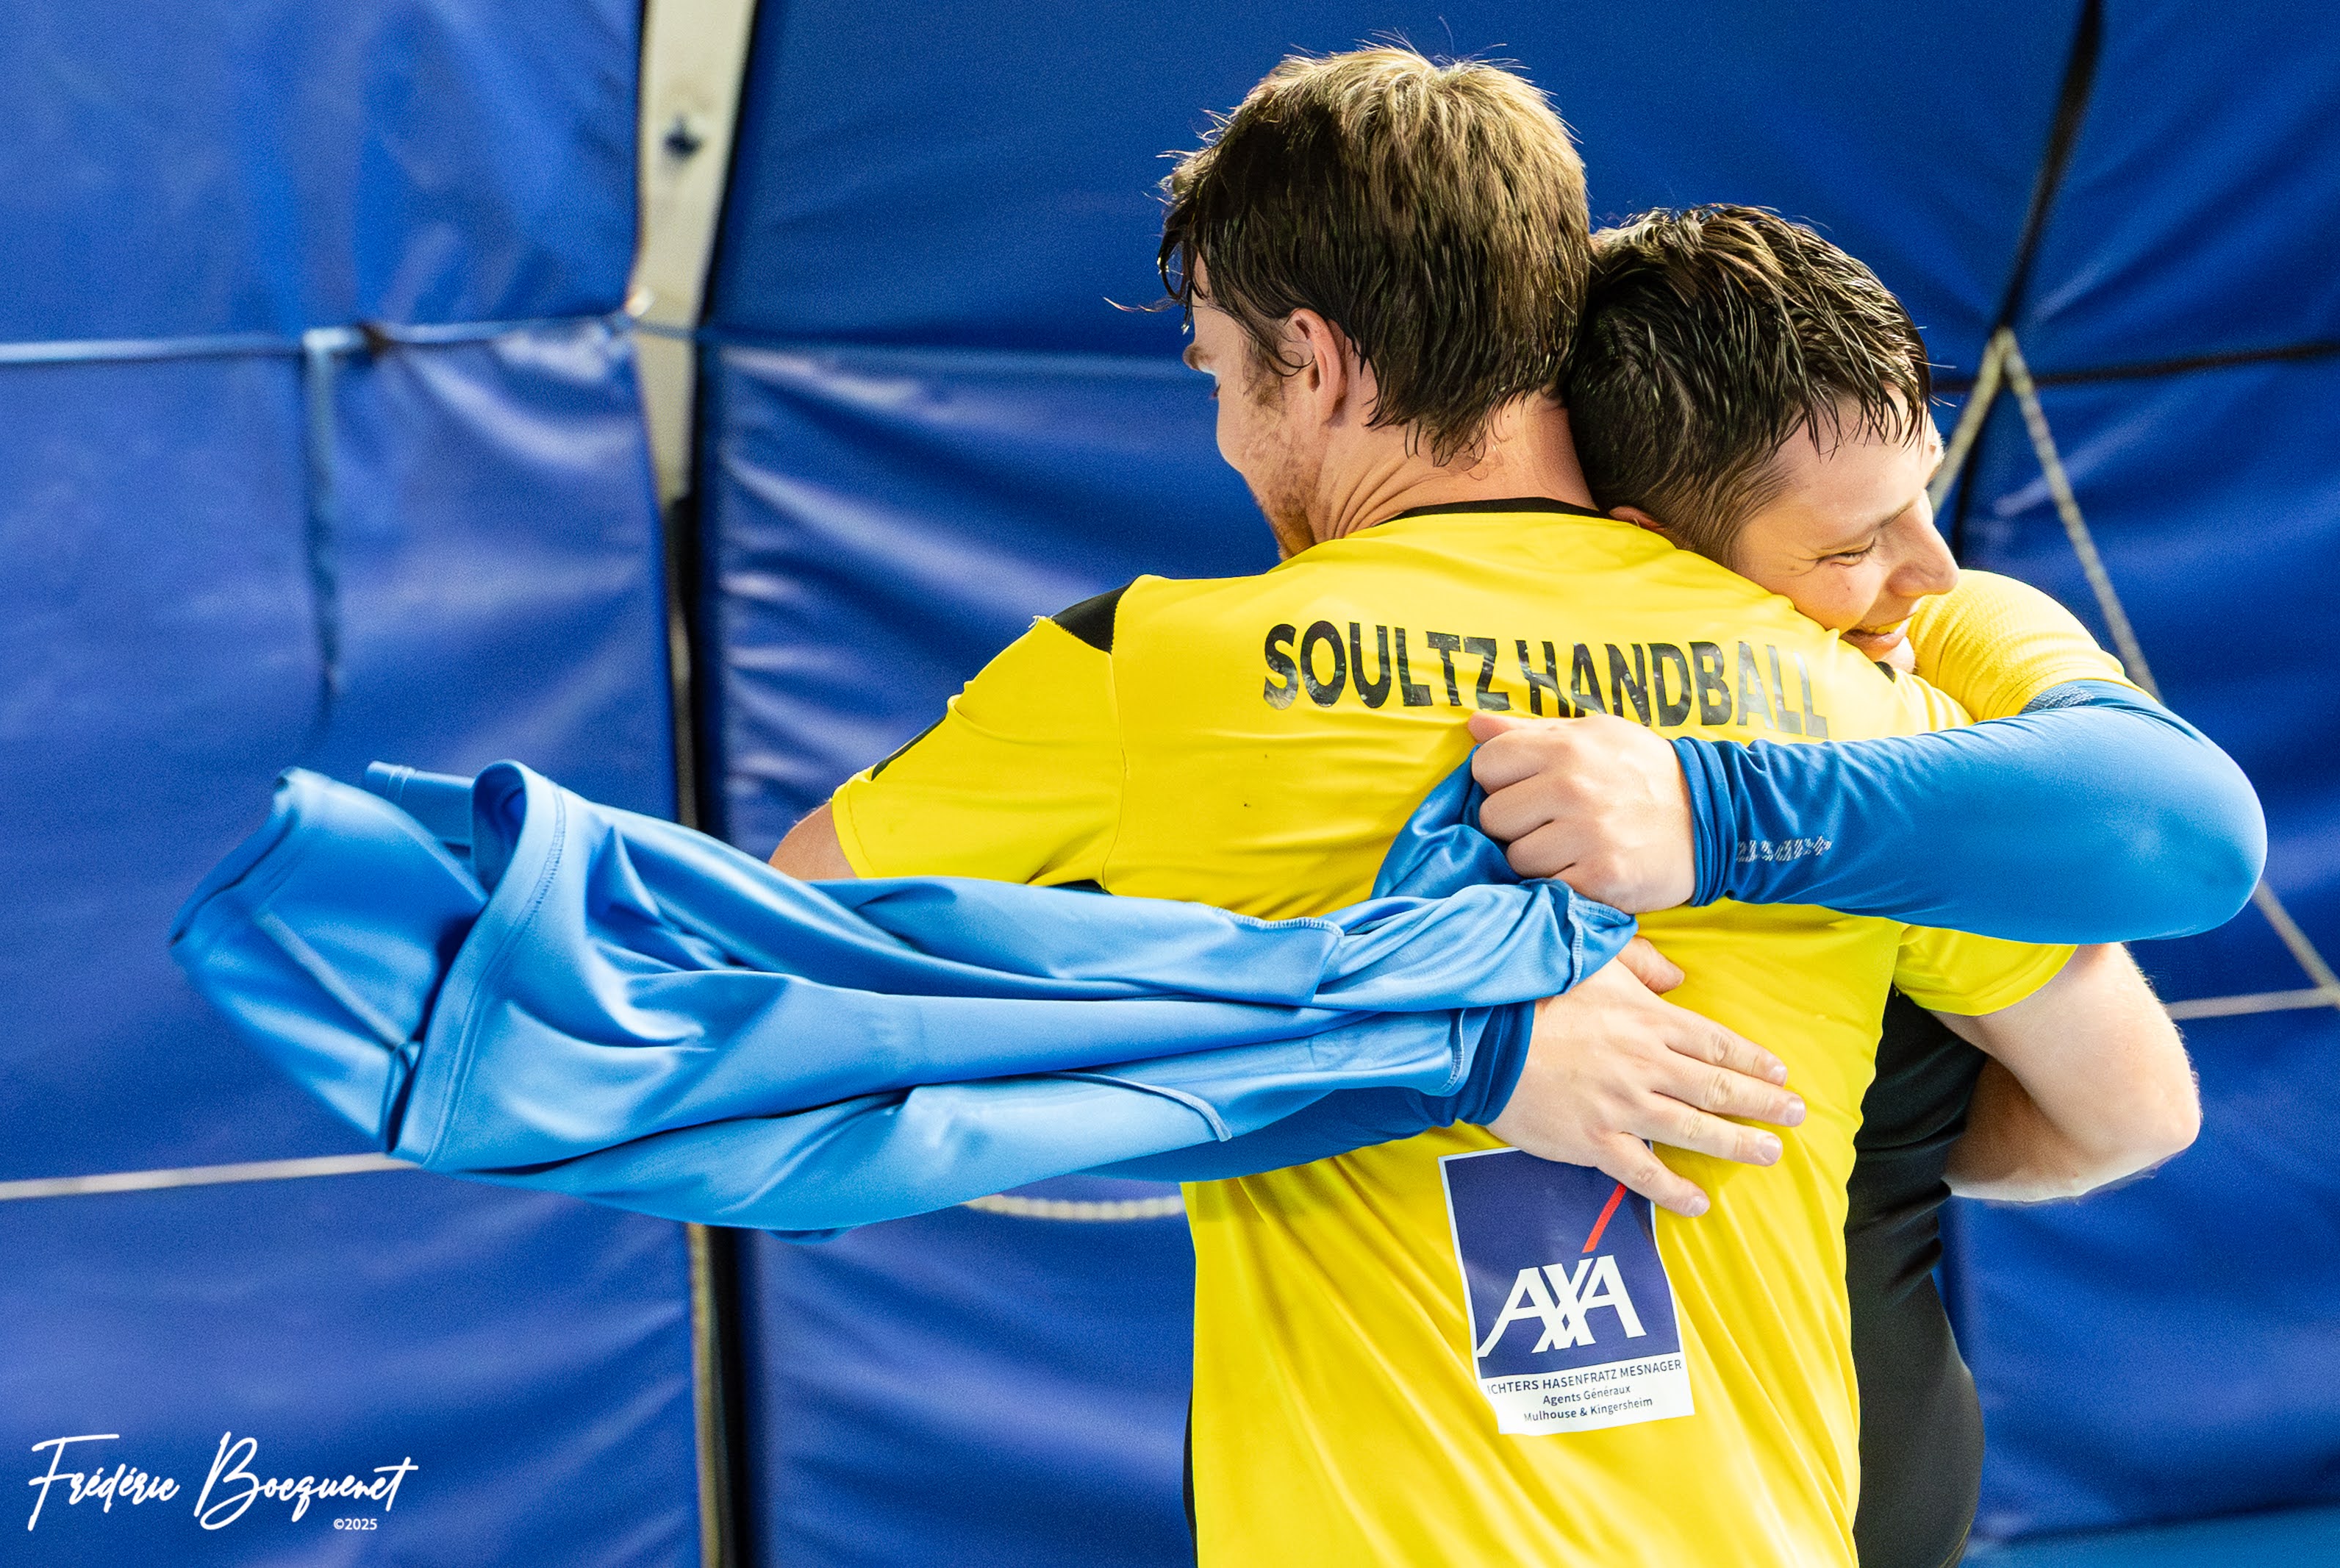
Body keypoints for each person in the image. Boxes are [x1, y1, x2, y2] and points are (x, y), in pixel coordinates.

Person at [772, 49, 2254, 1567]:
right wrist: (1797, 1132)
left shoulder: (1146, 669)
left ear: (1321, 359)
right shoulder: (1839, 681)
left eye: (1219, 369)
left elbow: (749, 987)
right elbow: (2131, 1103)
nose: (1225, 428)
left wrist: (1354, 1044)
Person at [1464, 204, 2200, 1567]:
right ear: (1649, 544)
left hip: (1683, 1480)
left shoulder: (1927, 674)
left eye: (1923, 488)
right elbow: (2129, 1112)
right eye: (1852, 544)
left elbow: (2187, 871)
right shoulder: (1871, 737)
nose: (1930, 567)